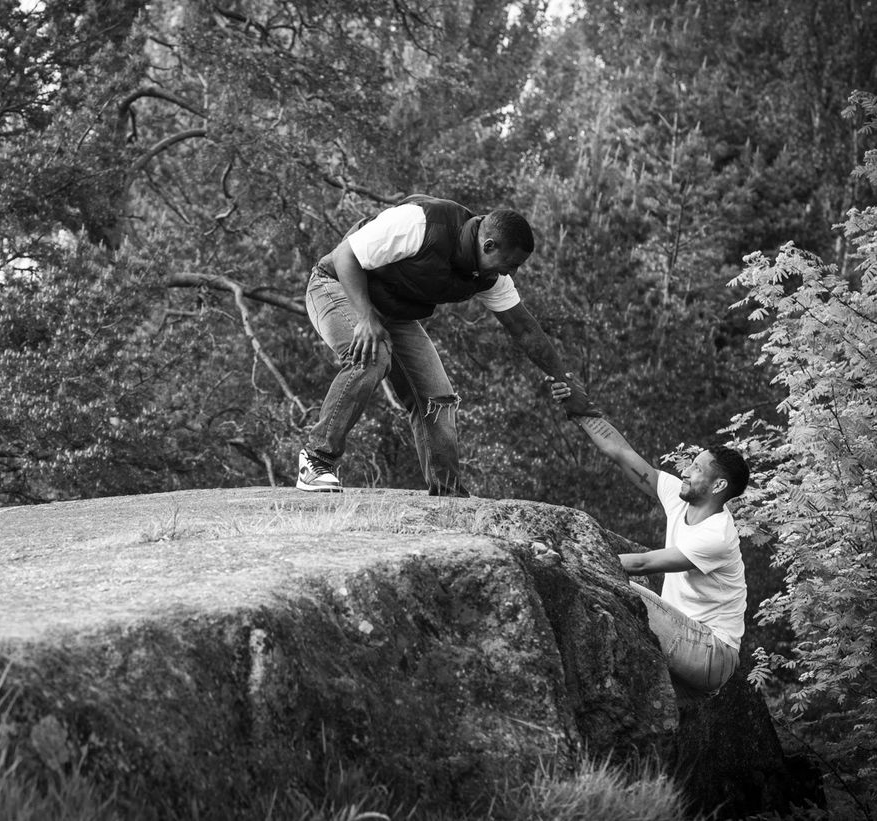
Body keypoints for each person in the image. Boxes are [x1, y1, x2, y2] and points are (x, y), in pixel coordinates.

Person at [297, 194, 597, 494]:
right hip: (335, 285)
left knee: (438, 396)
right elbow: (345, 257)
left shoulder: (489, 276)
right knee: (374, 355)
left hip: (390, 311)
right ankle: (316, 460)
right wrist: (364, 317)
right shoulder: (421, 223)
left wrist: (563, 380)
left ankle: (447, 493)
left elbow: (524, 329)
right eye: (510, 264)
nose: (510, 273)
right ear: (488, 246)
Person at [549, 376, 749, 697]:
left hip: (712, 653)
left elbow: (642, 563)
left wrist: (573, 560)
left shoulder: (717, 535)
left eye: (697, 469)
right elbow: (621, 453)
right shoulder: (678, 497)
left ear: (719, 486)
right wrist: (580, 411)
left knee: (617, 588)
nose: (685, 471)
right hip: (686, 637)